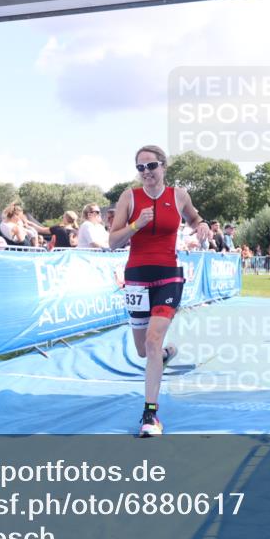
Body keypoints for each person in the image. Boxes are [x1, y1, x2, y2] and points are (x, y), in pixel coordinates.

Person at [109, 145, 211, 437]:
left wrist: (201, 224)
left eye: (151, 166)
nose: (146, 173)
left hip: (169, 275)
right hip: (137, 277)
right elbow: (113, 241)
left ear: (163, 166)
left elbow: (193, 217)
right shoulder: (129, 197)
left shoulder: (178, 195)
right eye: (140, 168)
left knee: (152, 340)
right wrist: (134, 224)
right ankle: (163, 355)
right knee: (145, 350)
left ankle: (150, 416)